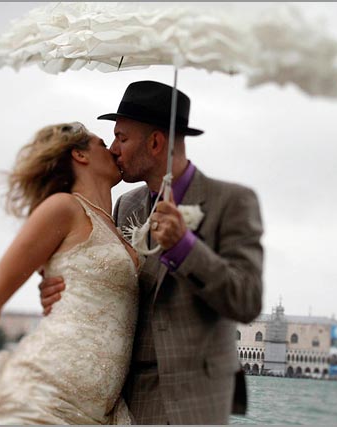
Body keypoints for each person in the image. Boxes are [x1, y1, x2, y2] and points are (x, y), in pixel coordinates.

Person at [39, 81, 264, 424]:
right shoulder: (126, 205)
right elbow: (113, 286)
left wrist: (186, 248)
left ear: (156, 142)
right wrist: (65, 288)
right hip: (130, 397)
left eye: (122, 138)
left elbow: (247, 300)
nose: (113, 149)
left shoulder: (233, 202)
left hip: (197, 399)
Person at [0, 122, 140, 424]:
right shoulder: (63, 207)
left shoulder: (119, 227)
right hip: (43, 391)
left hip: (96, 412)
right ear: (79, 156)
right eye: (100, 143)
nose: (112, 148)